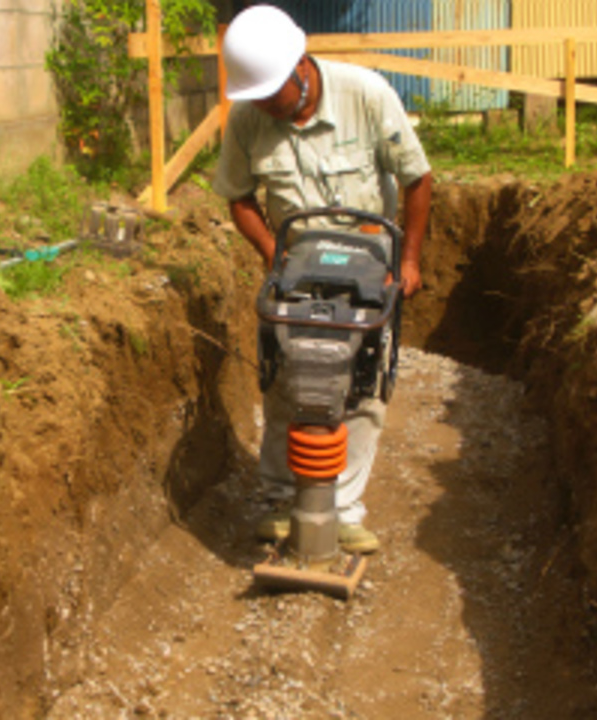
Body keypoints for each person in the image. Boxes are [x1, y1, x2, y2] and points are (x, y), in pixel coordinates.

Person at [212, 4, 433, 554]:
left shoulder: (367, 93)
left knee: (360, 385)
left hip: (367, 263)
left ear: (300, 66)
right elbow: (237, 196)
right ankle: (282, 498)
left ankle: (345, 507)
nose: (263, 103)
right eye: (255, 95)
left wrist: (408, 261)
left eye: (271, 93)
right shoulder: (248, 119)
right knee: (289, 379)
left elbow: (417, 177)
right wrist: (272, 253)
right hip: (298, 268)